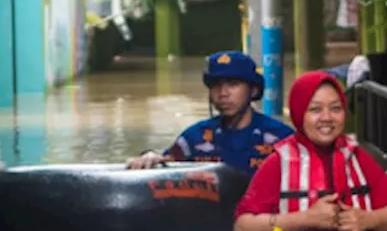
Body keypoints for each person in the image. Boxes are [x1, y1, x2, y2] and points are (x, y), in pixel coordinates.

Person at [233, 70, 387, 231]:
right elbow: (243, 230)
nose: (327, 118)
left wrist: (370, 220)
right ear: (299, 113)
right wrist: (306, 219)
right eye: (315, 110)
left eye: (335, 108)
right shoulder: (277, 164)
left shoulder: (358, 158)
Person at [126, 51, 294, 174]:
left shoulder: (281, 138)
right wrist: (149, 157)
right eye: (216, 85)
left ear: (253, 91)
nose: (223, 93)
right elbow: (166, 166)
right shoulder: (194, 138)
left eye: (233, 84)